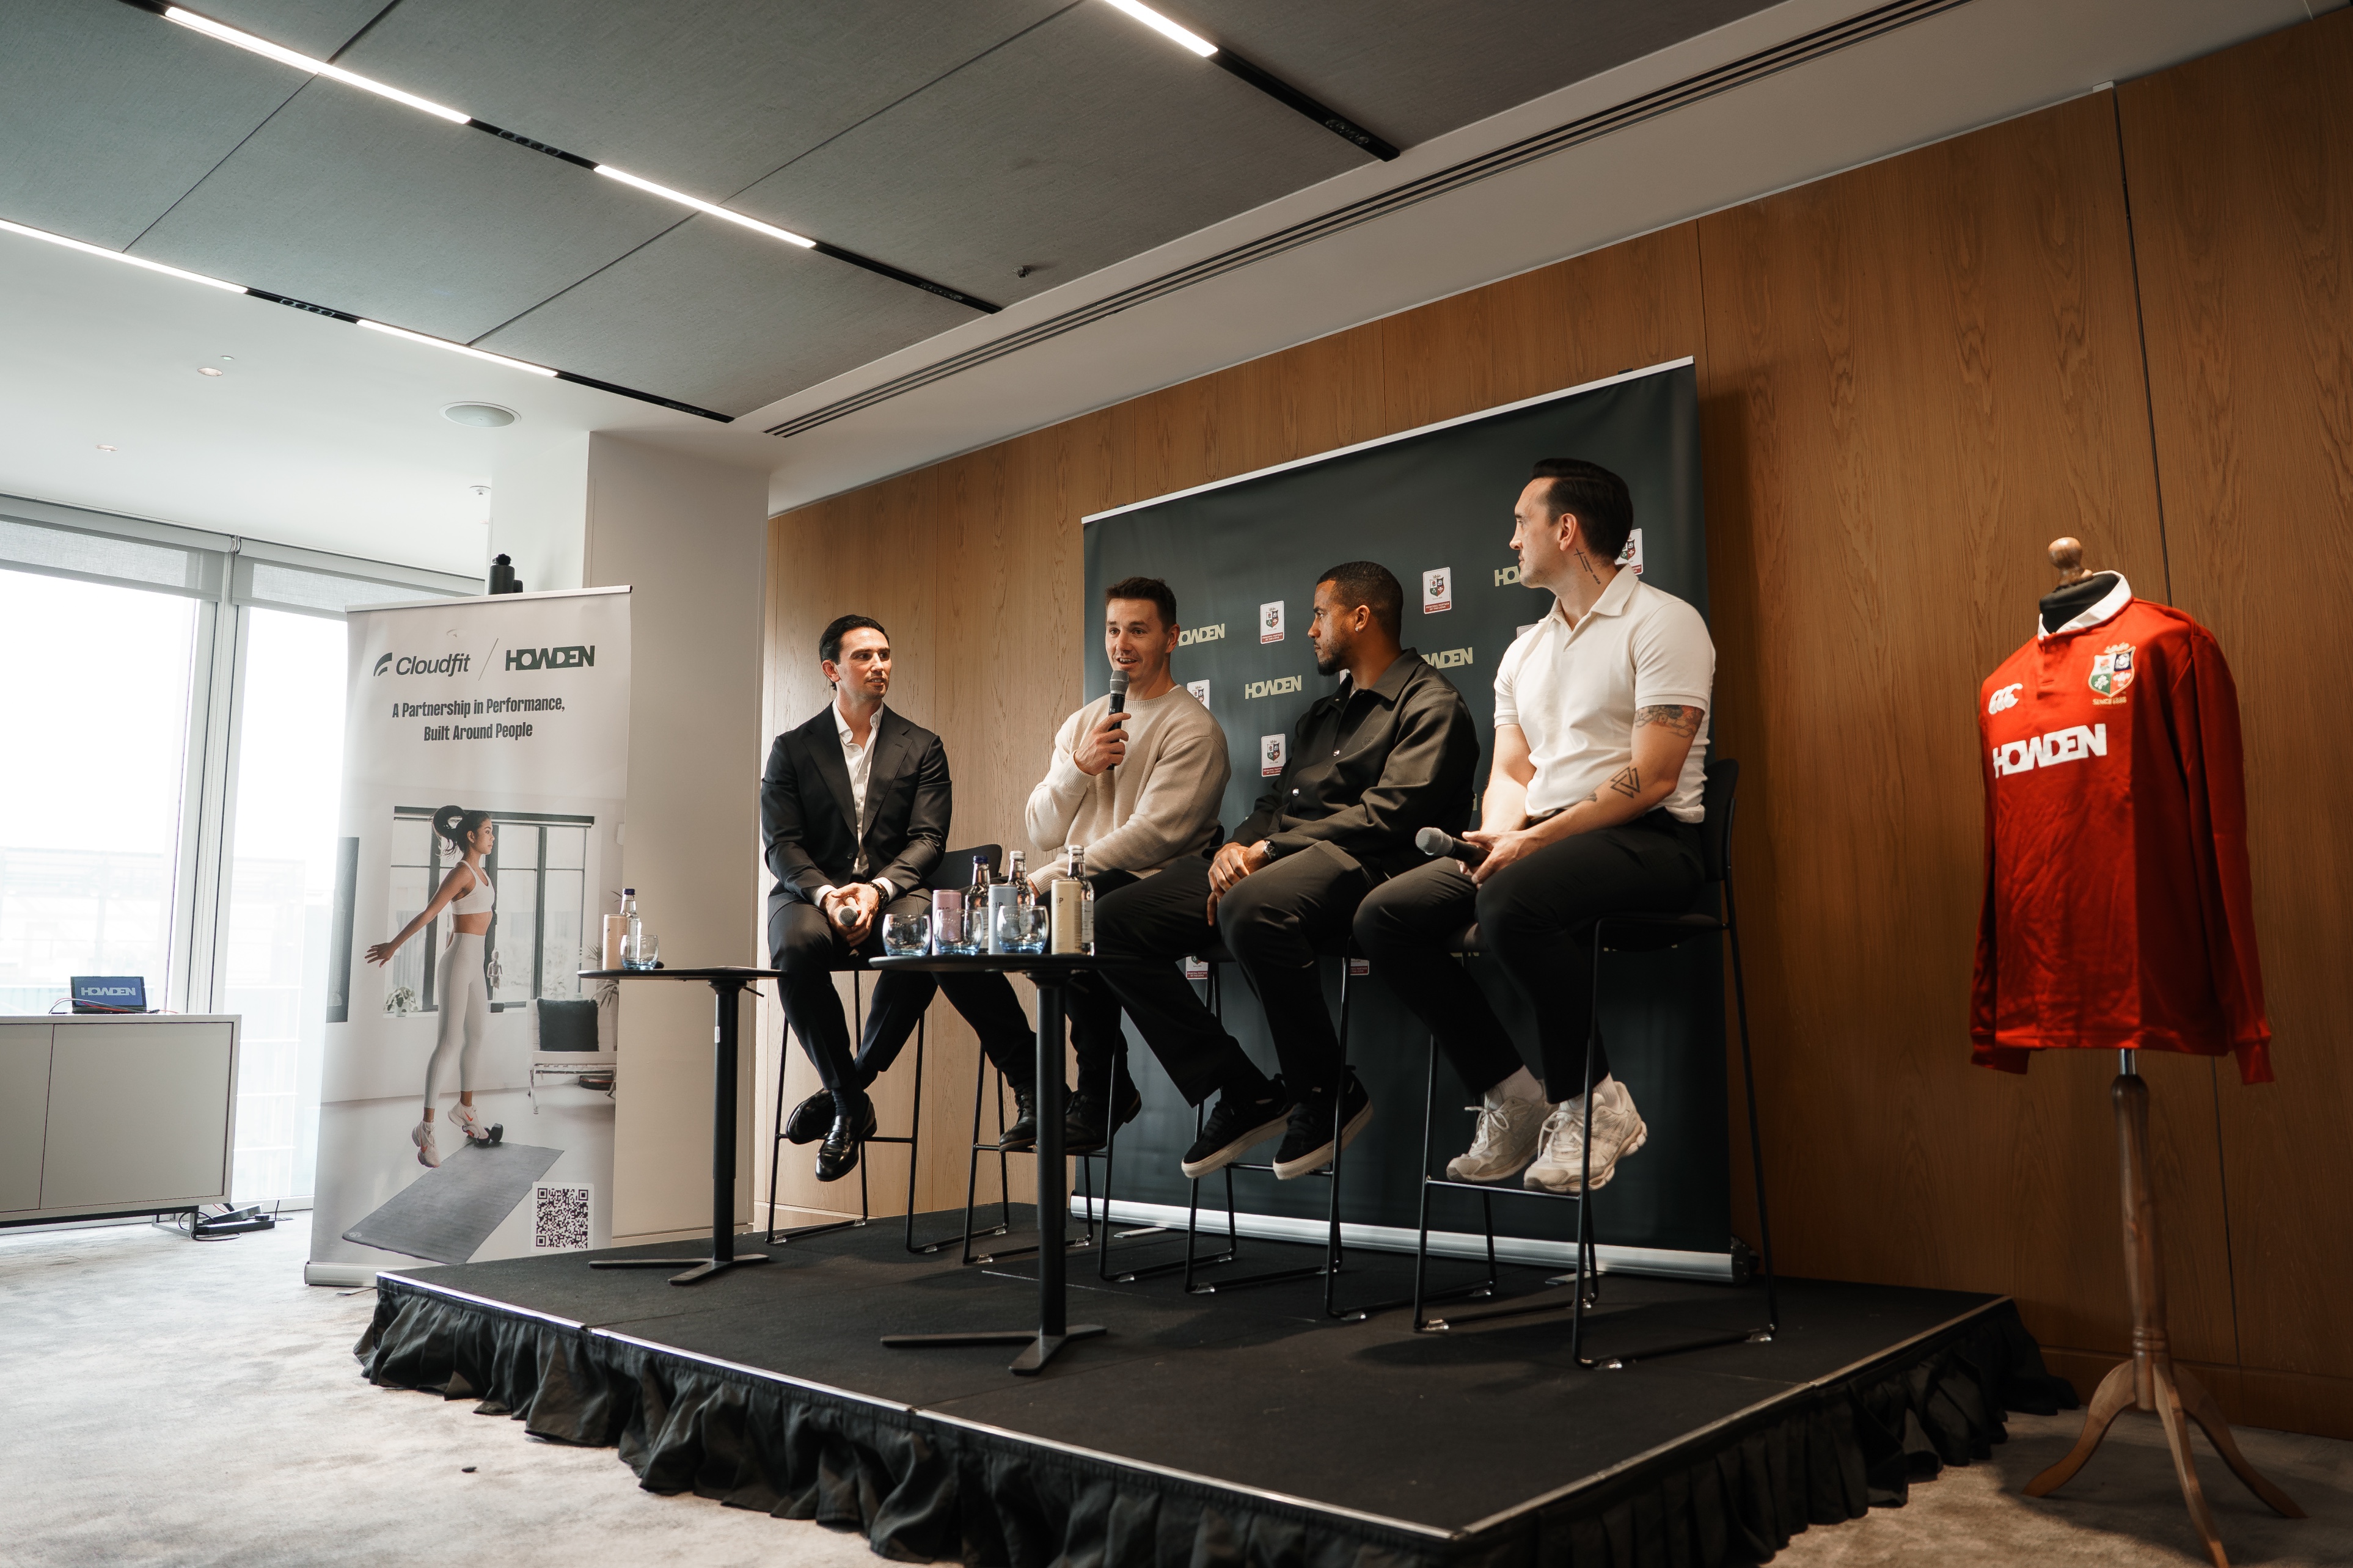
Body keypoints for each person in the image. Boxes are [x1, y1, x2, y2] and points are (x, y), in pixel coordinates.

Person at [1354, 458, 1714, 1194]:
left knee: (1510, 899)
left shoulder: (1664, 621)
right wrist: (1495, 836)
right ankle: (1513, 1093)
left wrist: (1531, 843)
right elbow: (1513, 775)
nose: (1513, 539)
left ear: (1566, 528)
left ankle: (1595, 1102)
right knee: (1383, 916)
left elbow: (1653, 776)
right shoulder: (1524, 650)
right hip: (1541, 844)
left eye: (1522, 522)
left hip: (1651, 842)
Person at [1095, 563, 1479, 1181]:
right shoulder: (1321, 713)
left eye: (1319, 614)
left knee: (1252, 904)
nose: (1309, 629)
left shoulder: (1431, 702)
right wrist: (1235, 848)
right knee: (1109, 920)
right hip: (1277, 860)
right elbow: (1274, 804)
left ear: (1360, 617)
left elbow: (1386, 817)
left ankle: (1325, 1090)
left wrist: (1268, 853)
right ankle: (1243, 1088)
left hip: (1369, 867)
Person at [762, 614, 1035, 1181]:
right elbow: (782, 844)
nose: (879, 665)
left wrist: (876, 889)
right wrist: (830, 894)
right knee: (795, 946)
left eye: (884, 654)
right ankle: (849, 1101)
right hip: (811, 894)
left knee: (928, 934)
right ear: (831, 669)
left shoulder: (923, 745)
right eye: (863, 656)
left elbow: (928, 840)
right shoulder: (791, 749)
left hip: (894, 892)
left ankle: (847, 1092)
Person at [1019, 576, 1228, 1153]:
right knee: (1033, 921)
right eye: (1113, 629)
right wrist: (1078, 768)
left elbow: (1152, 838)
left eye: (1138, 630)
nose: (1121, 644)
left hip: (1151, 887)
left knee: (1072, 910)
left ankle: (1100, 1091)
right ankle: (1062, 1087)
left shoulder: (1192, 728)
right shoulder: (1083, 724)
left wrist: (1050, 877)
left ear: (1171, 638)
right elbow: (1041, 830)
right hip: (1087, 884)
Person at [364, 806, 499, 1169]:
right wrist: (393, 946)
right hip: (459, 964)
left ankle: (466, 1109)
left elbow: (464, 921)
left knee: (476, 1037)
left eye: (492, 830)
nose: (492, 836)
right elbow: (429, 913)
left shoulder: (482, 874)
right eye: (487, 831)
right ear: (471, 835)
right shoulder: (462, 872)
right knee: (450, 1042)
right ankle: (426, 1129)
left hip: (473, 965)